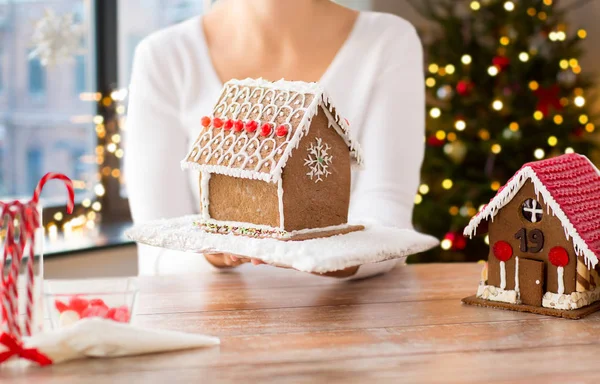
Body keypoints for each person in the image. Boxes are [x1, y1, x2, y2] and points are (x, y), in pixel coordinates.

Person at [125, 0, 424, 279]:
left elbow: (389, 222)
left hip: (347, 314)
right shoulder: (165, 55)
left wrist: (326, 259)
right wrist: (214, 253)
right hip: (212, 320)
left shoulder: (386, 40)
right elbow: (156, 256)